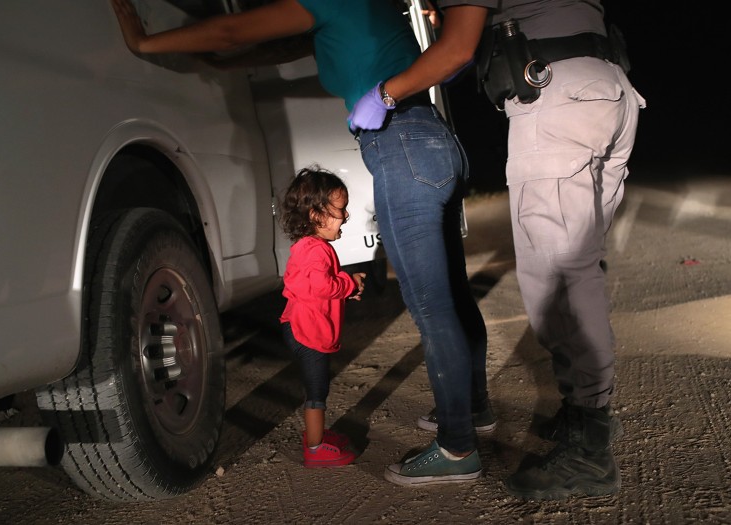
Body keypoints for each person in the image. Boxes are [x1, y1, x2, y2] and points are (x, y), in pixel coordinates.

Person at [111, 0, 493, 486]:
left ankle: (458, 446)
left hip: (399, 146)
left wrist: (143, 41)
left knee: (432, 308)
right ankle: (472, 409)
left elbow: (232, 31)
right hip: (434, 141)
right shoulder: (363, 10)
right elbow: (259, 49)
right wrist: (217, 62)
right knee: (453, 298)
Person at [351, 0, 646, 500]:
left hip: (557, 100)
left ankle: (590, 452)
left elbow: (458, 48)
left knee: (558, 284)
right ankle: (586, 418)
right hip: (609, 89)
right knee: (581, 270)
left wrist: (384, 93)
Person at [278, 167, 364, 468]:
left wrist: (345, 286)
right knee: (317, 391)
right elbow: (320, 285)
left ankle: (317, 435)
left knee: (317, 388)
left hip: (299, 326)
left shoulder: (309, 247)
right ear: (317, 216)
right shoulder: (316, 250)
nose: (346, 216)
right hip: (308, 332)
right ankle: (314, 448)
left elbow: (314, 285)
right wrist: (348, 284)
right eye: (340, 210)